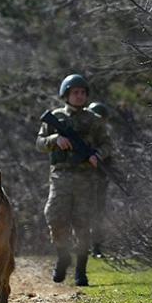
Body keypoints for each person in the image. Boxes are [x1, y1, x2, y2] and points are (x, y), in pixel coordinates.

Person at [36, 74, 112, 287]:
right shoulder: (55, 117)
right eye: (75, 92)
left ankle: (81, 270)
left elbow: (107, 144)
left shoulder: (94, 120)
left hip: (86, 178)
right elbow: (39, 143)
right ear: (66, 95)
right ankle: (63, 255)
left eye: (82, 93)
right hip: (61, 176)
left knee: (83, 224)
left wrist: (98, 155)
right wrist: (55, 140)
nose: (79, 96)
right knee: (54, 216)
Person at [86, 101, 111, 258]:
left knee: (98, 214)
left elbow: (109, 155)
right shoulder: (84, 135)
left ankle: (96, 246)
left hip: (99, 180)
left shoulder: (104, 139)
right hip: (81, 179)